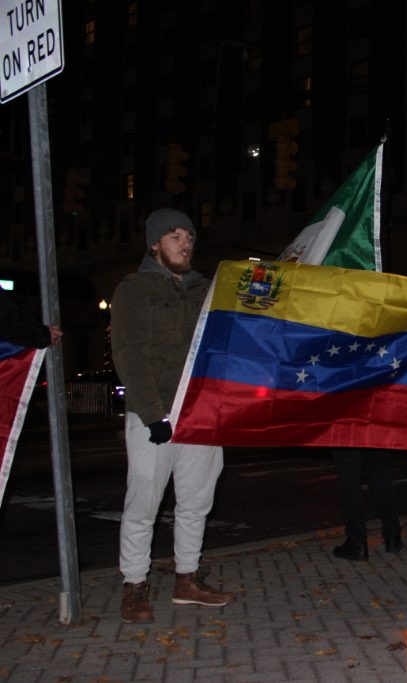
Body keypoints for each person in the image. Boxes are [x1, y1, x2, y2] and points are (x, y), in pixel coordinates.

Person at [110, 208, 235, 624]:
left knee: (196, 502)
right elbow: (129, 353)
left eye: (189, 237)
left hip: (200, 413)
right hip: (155, 415)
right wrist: (151, 414)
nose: (184, 244)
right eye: (175, 236)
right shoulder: (135, 289)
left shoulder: (206, 290)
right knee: (143, 505)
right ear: (154, 244)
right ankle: (134, 585)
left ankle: (187, 580)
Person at [331, 447, 403, 560]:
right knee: (379, 471)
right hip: (375, 430)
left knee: (349, 476)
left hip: (348, 431)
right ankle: (393, 536)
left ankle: (356, 541)